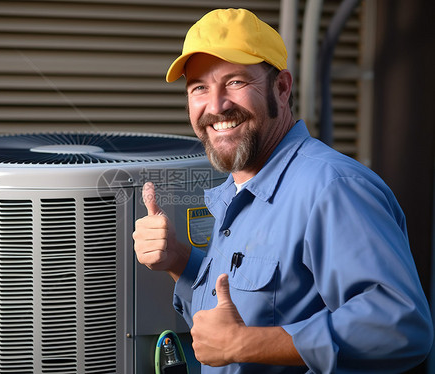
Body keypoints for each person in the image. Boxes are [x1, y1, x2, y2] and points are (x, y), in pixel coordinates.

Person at [132, 8, 433, 373]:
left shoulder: (332, 188)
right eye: (199, 87)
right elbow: (247, 305)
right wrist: (177, 261)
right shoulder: (238, 189)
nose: (216, 105)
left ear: (282, 88)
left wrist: (245, 344)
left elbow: (401, 325)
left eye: (236, 82)